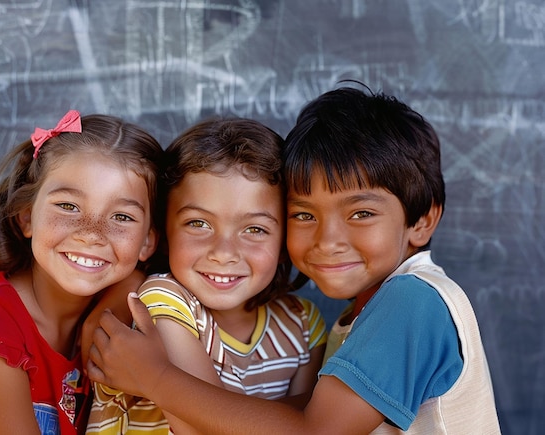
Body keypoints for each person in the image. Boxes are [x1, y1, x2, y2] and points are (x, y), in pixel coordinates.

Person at [86, 87, 501, 434]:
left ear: (422, 220)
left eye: (361, 213)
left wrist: (155, 378)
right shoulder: (369, 311)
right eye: (305, 215)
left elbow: (312, 431)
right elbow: (298, 413)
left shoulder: (413, 302)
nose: (328, 240)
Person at [0, 110, 163, 435]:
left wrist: (127, 287)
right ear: (26, 217)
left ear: (147, 242)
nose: (91, 234)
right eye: (68, 206)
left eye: (121, 217)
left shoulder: (115, 314)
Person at [85, 118, 327, 435]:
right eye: (198, 224)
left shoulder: (304, 325)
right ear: (164, 232)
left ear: (284, 241)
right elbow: (205, 427)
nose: (224, 252)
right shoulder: (162, 299)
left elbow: (313, 428)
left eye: (255, 229)